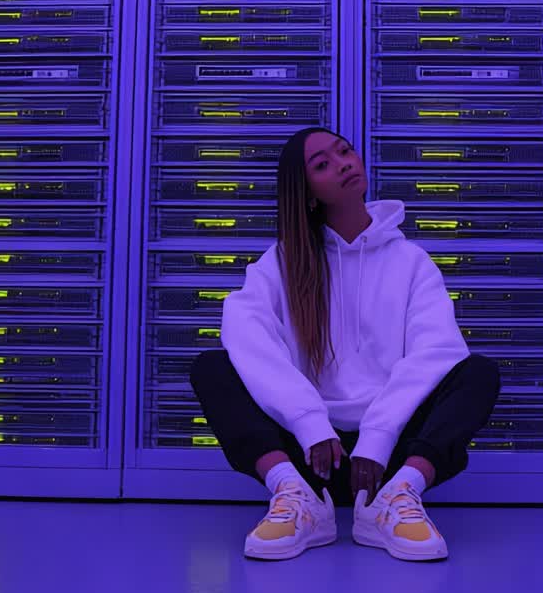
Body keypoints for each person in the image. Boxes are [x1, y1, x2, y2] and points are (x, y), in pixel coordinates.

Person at [189, 126, 501, 561]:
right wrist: (309, 424)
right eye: (322, 164)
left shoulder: (411, 263)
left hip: (389, 456)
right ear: (308, 192)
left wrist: (377, 439)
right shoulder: (282, 262)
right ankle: (293, 495)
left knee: (477, 372)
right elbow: (247, 335)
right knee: (213, 367)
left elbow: (436, 352)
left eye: (344, 151)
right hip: (310, 453)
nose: (343, 164)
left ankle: (397, 499)